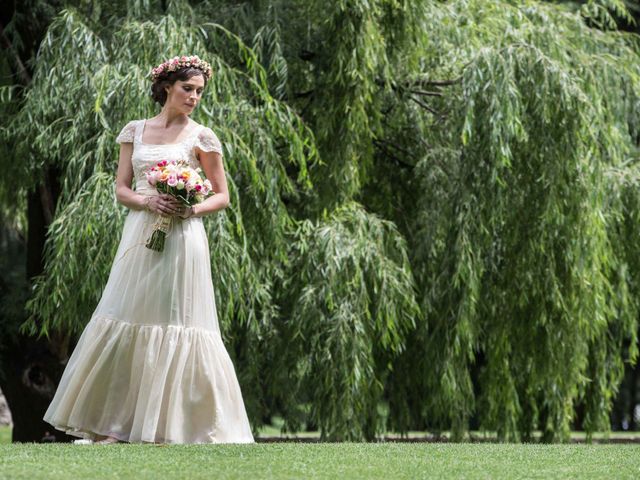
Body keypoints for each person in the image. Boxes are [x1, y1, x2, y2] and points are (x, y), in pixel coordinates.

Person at [42, 55, 255, 445]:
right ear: (167, 88)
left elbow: (222, 197)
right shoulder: (134, 132)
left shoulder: (203, 137)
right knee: (129, 314)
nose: (194, 97)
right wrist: (147, 202)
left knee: (174, 320)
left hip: (183, 237)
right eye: (187, 89)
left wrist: (189, 207)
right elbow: (122, 188)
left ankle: (171, 427)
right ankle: (117, 427)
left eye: (200, 92)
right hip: (140, 233)